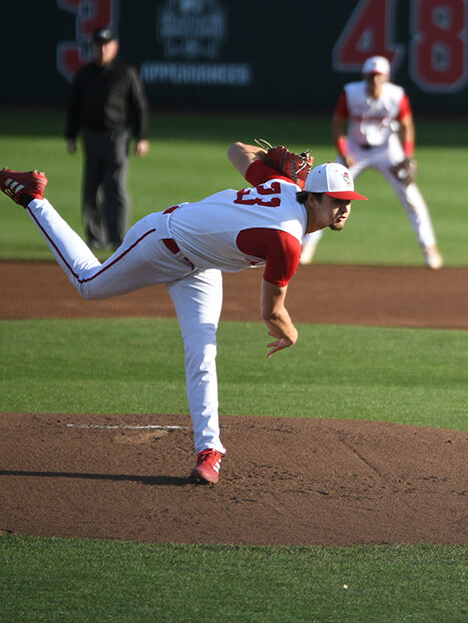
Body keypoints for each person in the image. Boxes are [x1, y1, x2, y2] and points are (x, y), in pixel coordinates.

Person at [1, 144, 366, 484]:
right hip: (163, 241)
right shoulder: (287, 238)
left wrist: (266, 156)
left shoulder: (283, 184)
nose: (345, 208)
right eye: (337, 200)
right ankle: (32, 197)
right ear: (313, 197)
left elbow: (237, 151)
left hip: (202, 265)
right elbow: (271, 311)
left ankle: (209, 452)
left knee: (203, 353)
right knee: (88, 282)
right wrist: (291, 332)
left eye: (348, 200)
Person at [300, 55, 442, 269]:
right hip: (356, 149)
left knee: (411, 196)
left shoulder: (396, 96)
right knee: (328, 192)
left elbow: (407, 126)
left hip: (387, 150)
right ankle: (307, 245)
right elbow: (337, 126)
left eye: (379, 77)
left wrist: (407, 157)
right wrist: (343, 150)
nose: (375, 81)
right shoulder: (351, 93)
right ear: (364, 77)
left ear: (386, 78)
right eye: (371, 76)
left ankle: (429, 248)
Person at [65, 27, 150, 251]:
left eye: (106, 45)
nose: (102, 49)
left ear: (114, 47)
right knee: (91, 190)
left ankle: (118, 237)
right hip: (90, 137)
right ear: (92, 48)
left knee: (116, 187)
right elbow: (74, 107)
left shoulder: (125, 73)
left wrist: (141, 137)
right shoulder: (84, 74)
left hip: (117, 137)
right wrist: (71, 135)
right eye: (98, 46)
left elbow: (139, 107)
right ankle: (95, 237)